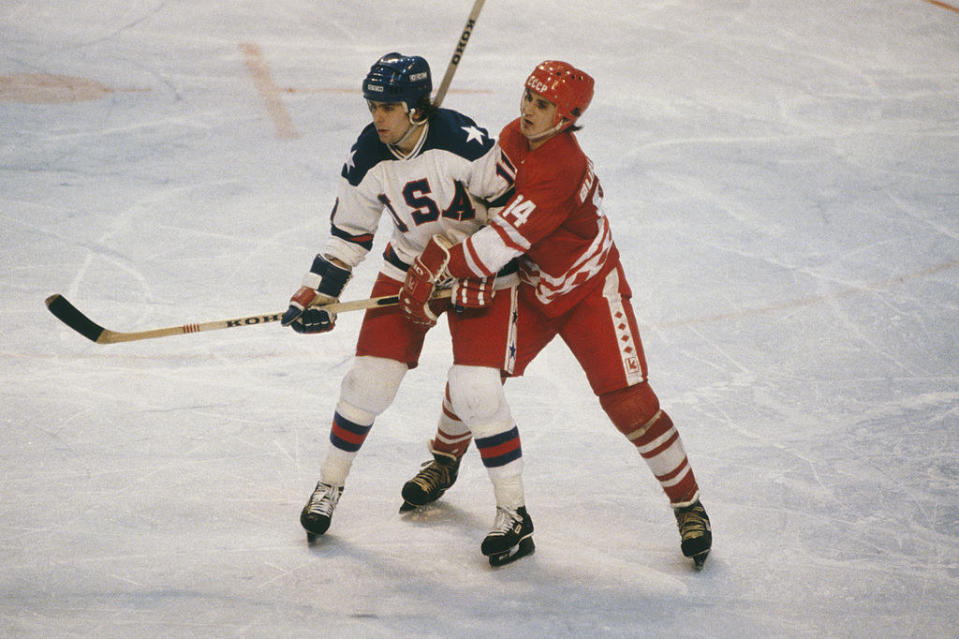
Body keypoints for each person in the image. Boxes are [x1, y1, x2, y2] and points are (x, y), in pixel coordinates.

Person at [397, 60, 713, 569]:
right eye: (527, 96)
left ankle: (688, 505)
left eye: (542, 105)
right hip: (534, 281)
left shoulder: (561, 167)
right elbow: (483, 209)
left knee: (629, 402)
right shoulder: (511, 139)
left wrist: (440, 263)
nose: (527, 110)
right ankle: (442, 459)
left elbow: (498, 244)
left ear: (566, 118)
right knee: (477, 373)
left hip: (588, 288)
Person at [281, 52, 536, 566]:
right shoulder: (367, 153)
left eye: (390, 106)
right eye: (373, 104)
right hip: (409, 268)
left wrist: (476, 263)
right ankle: (328, 485)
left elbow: (517, 215)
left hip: (477, 269)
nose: (378, 116)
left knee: (477, 391)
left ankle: (515, 513)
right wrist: (318, 290)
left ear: (417, 108)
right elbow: (350, 234)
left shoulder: (467, 144)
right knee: (367, 381)